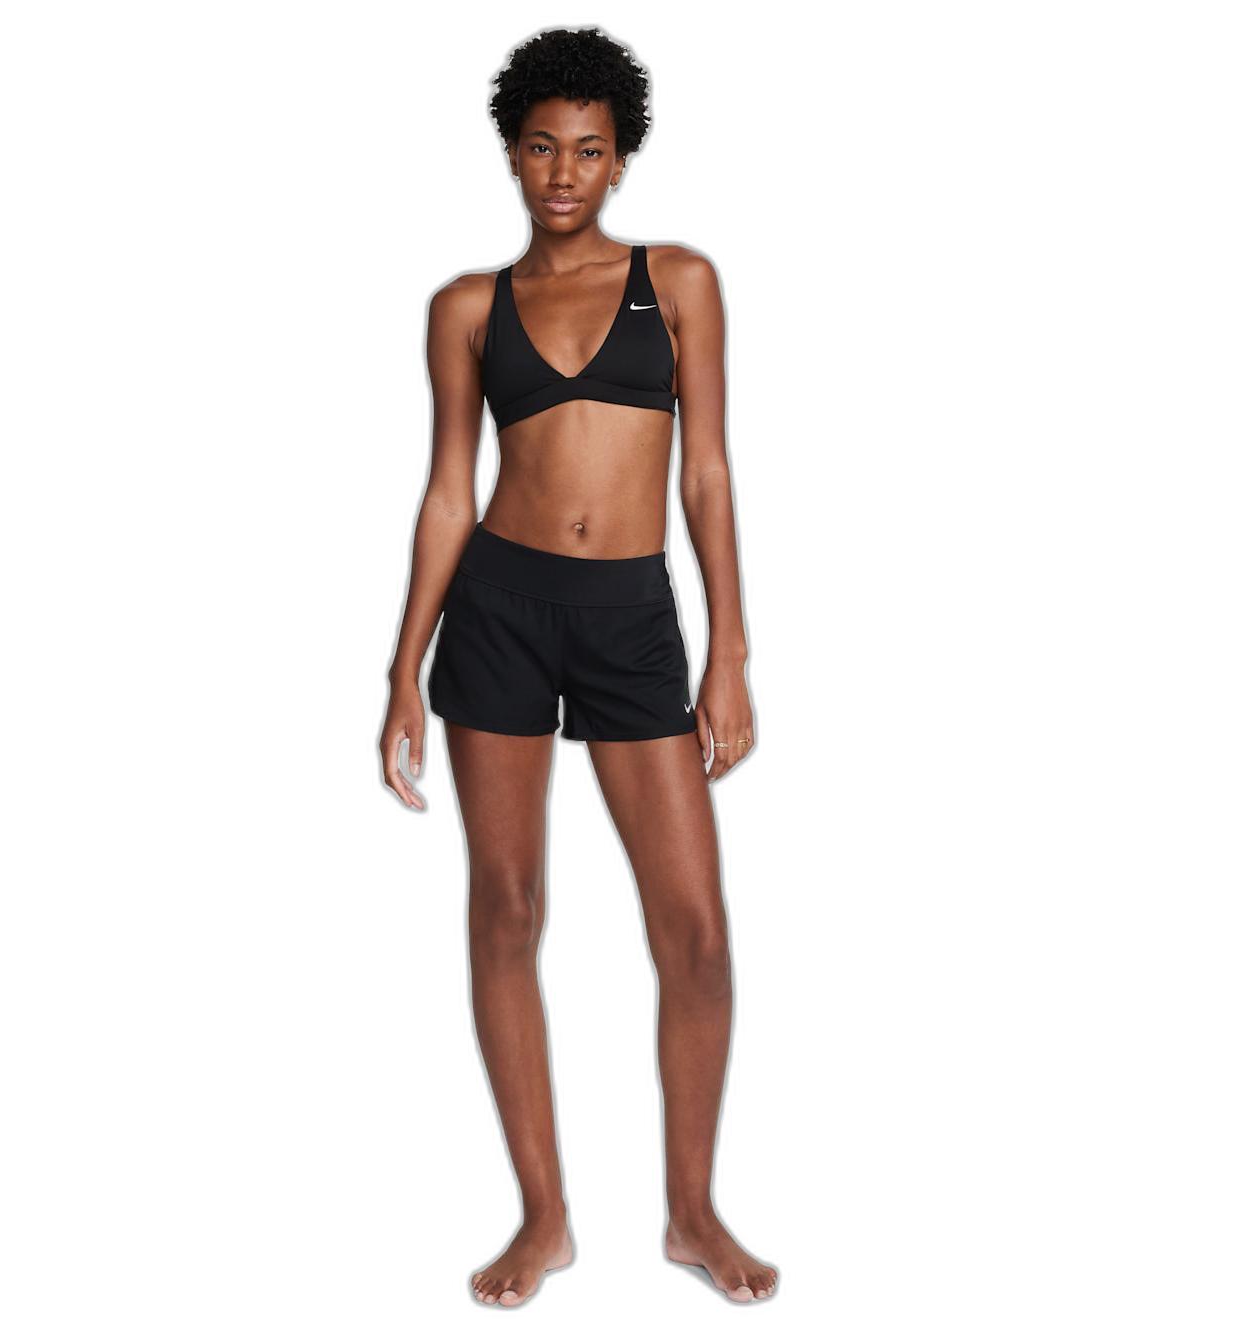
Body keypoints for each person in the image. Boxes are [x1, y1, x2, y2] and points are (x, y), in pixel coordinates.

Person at [381, 25, 777, 1307]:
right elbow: (450, 493)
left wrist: (729, 651)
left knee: (696, 931)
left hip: (630, 621)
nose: (564, 172)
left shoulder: (682, 281)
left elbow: (707, 473)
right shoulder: (465, 308)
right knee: (506, 909)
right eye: (543, 148)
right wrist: (402, 671)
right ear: (512, 154)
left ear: (620, 160)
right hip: (498, 610)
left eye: (589, 151)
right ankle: (542, 1217)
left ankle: (692, 1213)